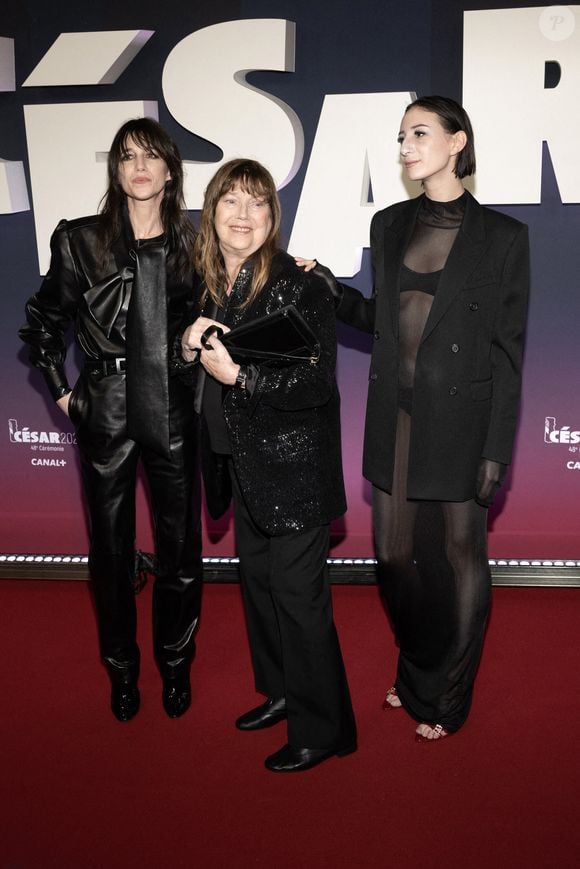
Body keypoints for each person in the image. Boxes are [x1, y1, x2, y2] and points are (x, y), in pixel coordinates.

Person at [301, 95, 529, 740]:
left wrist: (496, 447)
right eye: (401, 134)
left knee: (459, 557)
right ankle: (418, 665)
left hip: (463, 423)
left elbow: (508, 351)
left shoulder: (505, 238)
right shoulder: (390, 223)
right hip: (396, 416)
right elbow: (383, 318)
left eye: (420, 132)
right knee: (396, 557)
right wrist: (331, 290)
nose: (406, 144)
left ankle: (447, 695)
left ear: (457, 142)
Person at [19, 118, 203, 722]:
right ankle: (122, 671)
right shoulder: (80, 240)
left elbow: (227, 308)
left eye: (151, 156)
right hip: (107, 403)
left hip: (173, 404)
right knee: (110, 552)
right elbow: (44, 323)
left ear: (170, 170)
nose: (140, 167)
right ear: (117, 172)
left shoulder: (193, 246)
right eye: (127, 157)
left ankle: (175, 667)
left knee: (178, 550)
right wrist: (63, 393)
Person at [181, 158, 356, 772]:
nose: (244, 215)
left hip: (294, 469)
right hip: (240, 463)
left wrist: (239, 375)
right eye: (232, 201)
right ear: (212, 212)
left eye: (258, 203)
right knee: (259, 589)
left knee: (298, 597)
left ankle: (325, 728)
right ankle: (284, 693)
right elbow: (190, 368)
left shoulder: (295, 283)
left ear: (272, 218)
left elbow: (316, 382)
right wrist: (186, 345)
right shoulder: (208, 283)